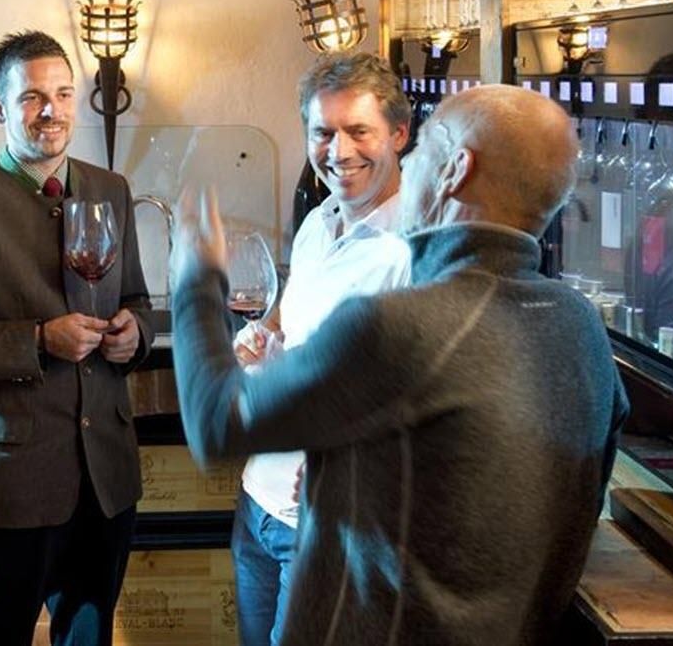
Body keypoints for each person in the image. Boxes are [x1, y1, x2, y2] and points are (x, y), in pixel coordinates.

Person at [171, 83, 629, 645]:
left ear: (455, 169)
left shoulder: (402, 323)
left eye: (424, 145)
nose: (408, 164)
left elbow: (217, 421)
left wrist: (195, 278)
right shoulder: (580, 324)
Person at [0, 30, 153, 646]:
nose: (52, 110)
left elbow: (136, 300)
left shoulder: (112, 190)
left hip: (105, 479)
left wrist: (136, 334)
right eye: (32, 97)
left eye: (63, 94)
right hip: (9, 484)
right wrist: (40, 340)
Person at [230, 52, 412, 646]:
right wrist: (263, 339)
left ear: (399, 134)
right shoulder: (319, 220)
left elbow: (417, 390)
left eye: (359, 130)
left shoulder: (415, 247)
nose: (339, 151)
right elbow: (293, 319)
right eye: (323, 132)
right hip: (259, 502)